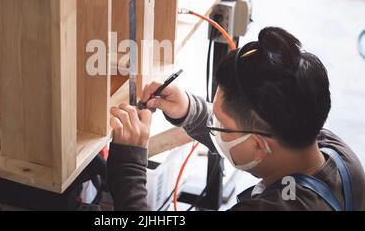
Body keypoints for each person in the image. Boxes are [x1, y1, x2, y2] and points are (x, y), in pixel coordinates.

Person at [106, 27, 365, 211]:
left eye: (220, 124)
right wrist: (190, 110)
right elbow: (256, 131)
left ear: (259, 146)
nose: (215, 128)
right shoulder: (333, 150)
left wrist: (128, 168)